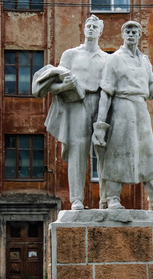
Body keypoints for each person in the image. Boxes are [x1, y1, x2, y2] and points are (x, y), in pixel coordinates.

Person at [92, 21, 153, 211]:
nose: (131, 33)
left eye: (135, 30)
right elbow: (106, 92)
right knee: (117, 152)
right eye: (128, 30)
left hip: (141, 109)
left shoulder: (145, 61)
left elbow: (151, 90)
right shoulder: (114, 59)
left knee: (147, 152)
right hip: (122, 108)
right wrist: (100, 125)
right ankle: (112, 198)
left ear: (140, 34)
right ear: (122, 34)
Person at [32, 15, 108, 210]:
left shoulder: (107, 58)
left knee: (104, 151)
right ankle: (77, 200)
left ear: (100, 31)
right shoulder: (71, 55)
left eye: (95, 26)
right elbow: (53, 85)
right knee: (78, 150)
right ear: (84, 30)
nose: (91, 29)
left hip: (100, 103)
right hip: (77, 103)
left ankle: (107, 199)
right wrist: (64, 86)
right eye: (88, 26)